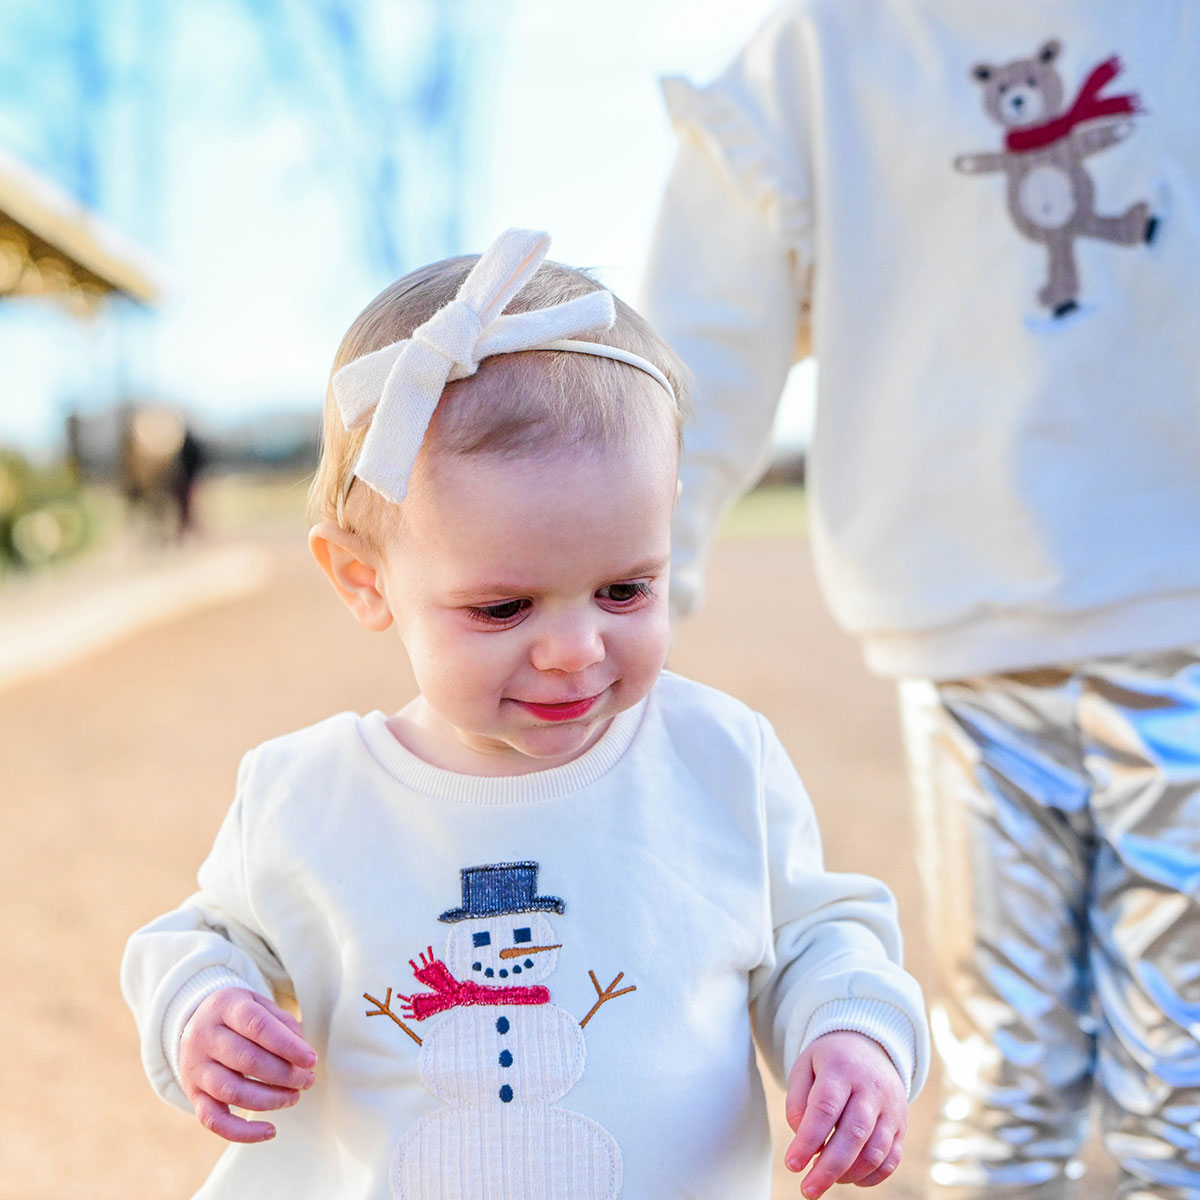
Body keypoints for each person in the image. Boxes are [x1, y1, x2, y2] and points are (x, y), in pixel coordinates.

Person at [121, 228, 929, 1200]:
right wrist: (200, 1008)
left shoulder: (718, 760)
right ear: (363, 579)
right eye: (503, 608)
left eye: (627, 589)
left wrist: (851, 1033)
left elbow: (816, 936)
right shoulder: (310, 798)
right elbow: (198, 938)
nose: (574, 649)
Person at [639, 4, 1200, 1198]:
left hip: (1180, 610)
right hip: (968, 635)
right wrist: (635, 583)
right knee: (1012, 1063)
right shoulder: (828, 51)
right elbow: (701, 345)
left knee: (1173, 1073)